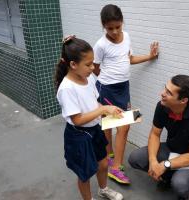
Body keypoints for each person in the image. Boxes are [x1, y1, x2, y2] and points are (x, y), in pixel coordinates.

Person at [93, 4, 159, 184]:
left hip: (124, 88)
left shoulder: (127, 36)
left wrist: (149, 56)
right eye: (109, 28)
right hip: (107, 88)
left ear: (122, 23)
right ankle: (115, 168)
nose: (114, 31)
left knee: (109, 122)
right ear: (103, 26)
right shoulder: (100, 45)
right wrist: (107, 81)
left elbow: (128, 59)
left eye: (117, 27)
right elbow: (95, 68)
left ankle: (109, 154)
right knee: (124, 125)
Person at [55, 35, 123, 200]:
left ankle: (103, 189)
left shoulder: (89, 78)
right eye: (88, 64)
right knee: (84, 172)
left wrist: (108, 110)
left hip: (94, 130)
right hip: (78, 135)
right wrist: (102, 110)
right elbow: (77, 120)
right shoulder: (67, 88)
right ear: (73, 64)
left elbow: (95, 103)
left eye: (93, 62)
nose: (93, 67)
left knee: (103, 163)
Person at [128, 75, 189, 200]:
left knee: (180, 184)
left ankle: (186, 193)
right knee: (135, 158)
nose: (162, 93)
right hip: (172, 149)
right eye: (165, 88)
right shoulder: (162, 106)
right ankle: (167, 176)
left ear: (183, 100)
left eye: (169, 93)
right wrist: (153, 161)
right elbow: (155, 134)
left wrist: (165, 165)